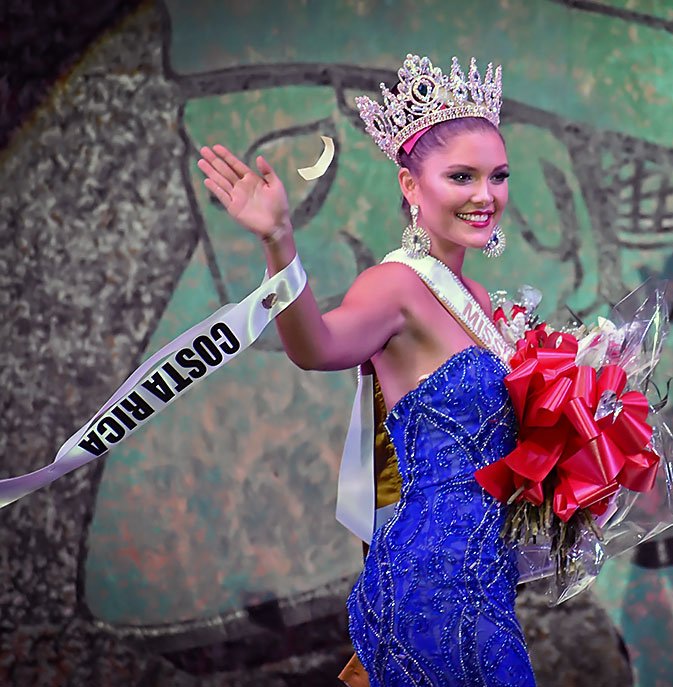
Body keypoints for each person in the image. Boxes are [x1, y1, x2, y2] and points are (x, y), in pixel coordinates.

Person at [197, 54, 536, 687]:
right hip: (435, 579)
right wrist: (279, 241)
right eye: (461, 176)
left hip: (484, 573)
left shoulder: (481, 302)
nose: (485, 195)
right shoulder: (394, 286)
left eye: (498, 176)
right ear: (411, 185)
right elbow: (317, 347)